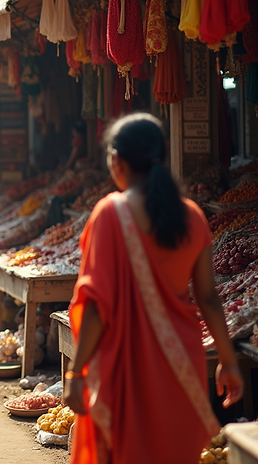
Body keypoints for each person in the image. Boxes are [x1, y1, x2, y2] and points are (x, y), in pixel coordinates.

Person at [63, 114, 242, 464]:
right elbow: (208, 298)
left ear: (117, 160)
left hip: (124, 366)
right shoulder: (192, 216)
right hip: (180, 361)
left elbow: (96, 305)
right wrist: (228, 360)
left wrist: (77, 372)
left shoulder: (109, 214)